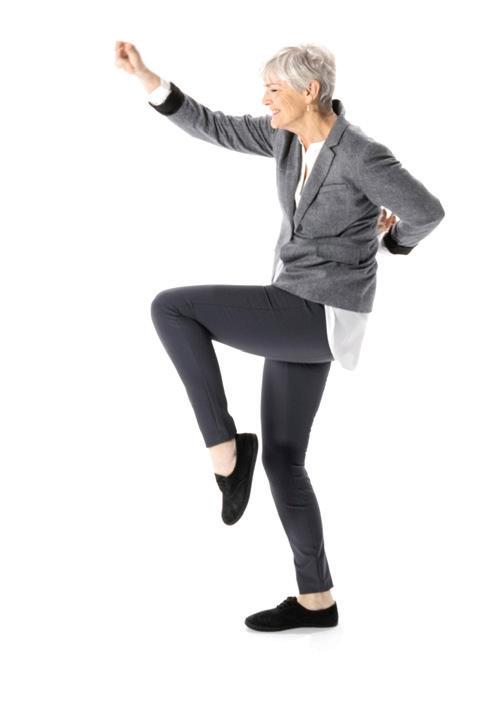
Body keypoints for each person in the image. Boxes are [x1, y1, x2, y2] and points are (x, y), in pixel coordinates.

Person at [115, 40, 445, 632]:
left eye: (274, 89)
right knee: (285, 459)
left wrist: (391, 243)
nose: (264, 99)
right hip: (296, 312)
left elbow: (427, 211)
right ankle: (317, 599)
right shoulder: (286, 139)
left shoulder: (361, 154)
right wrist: (147, 78)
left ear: (309, 91)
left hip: (316, 312)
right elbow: (213, 125)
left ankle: (224, 450)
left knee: (172, 308)